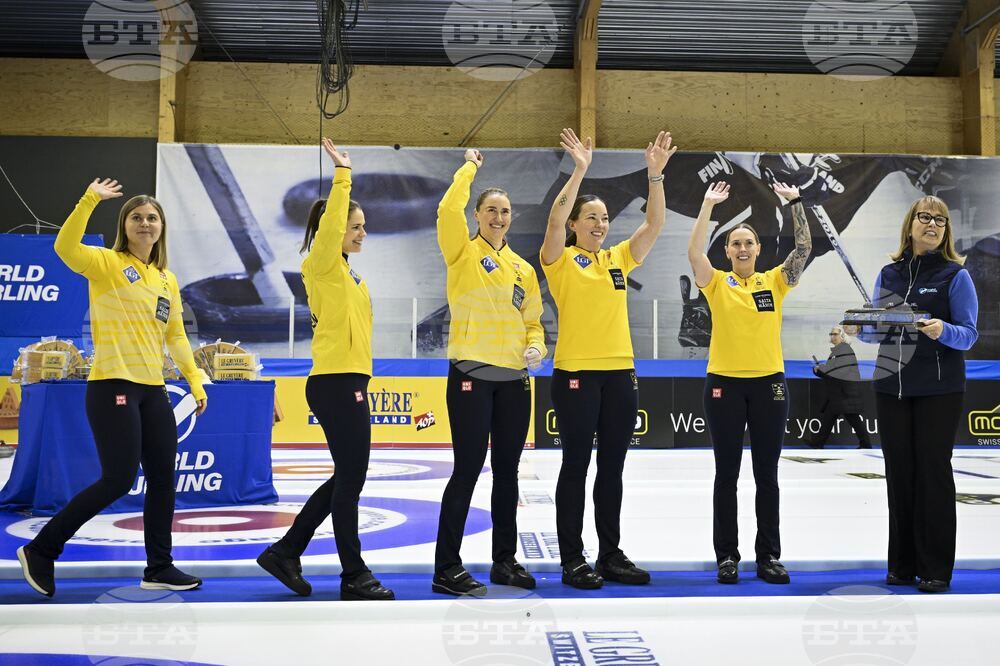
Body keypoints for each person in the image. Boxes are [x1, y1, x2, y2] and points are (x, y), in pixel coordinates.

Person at [17, 178, 208, 597]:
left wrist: (196, 380)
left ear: (161, 227)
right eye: (136, 217)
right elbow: (64, 248)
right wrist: (88, 200)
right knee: (118, 480)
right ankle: (41, 550)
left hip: (153, 389)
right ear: (126, 225)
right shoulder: (105, 262)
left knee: (162, 478)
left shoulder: (165, 280)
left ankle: (159, 566)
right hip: (112, 385)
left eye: (152, 218)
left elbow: (176, 335)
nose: (145, 223)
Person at [256, 139, 394, 601]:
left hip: (349, 380)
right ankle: (353, 573)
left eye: (364, 226)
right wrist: (343, 176)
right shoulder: (319, 264)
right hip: (335, 383)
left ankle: (287, 550)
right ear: (333, 229)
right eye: (355, 226)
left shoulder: (352, 275)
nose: (361, 233)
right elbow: (331, 222)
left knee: (347, 476)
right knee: (351, 477)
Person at [540, 128, 676, 590]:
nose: (599, 224)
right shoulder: (558, 259)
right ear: (576, 224)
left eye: (603, 218)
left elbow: (654, 226)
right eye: (590, 218)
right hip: (576, 375)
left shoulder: (617, 259)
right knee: (575, 466)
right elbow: (554, 219)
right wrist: (580, 170)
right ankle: (572, 559)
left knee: (612, 468)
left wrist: (654, 176)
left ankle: (610, 554)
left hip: (620, 375)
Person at [431, 149, 547, 596]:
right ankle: (447, 567)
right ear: (477, 215)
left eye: (505, 212)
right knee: (467, 469)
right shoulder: (460, 251)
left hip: (515, 382)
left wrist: (535, 344)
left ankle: (504, 561)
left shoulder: (523, 268)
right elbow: (445, 209)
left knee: (509, 472)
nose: (499, 217)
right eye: (491, 210)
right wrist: (470, 168)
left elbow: (533, 320)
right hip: (471, 375)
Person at [848, 196, 978, 593]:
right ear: (911, 225)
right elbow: (877, 330)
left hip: (939, 390)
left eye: (940, 220)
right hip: (891, 388)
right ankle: (902, 565)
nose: (933, 224)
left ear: (946, 231)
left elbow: (969, 334)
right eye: (926, 217)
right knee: (899, 476)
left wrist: (943, 330)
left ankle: (935, 567)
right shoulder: (889, 274)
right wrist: (859, 328)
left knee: (933, 476)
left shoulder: (956, 276)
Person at [688, 179, 812, 585]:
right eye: (735, 244)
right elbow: (693, 253)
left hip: (769, 387)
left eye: (749, 243)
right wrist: (707, 205)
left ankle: (768, 556)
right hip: (723, 385)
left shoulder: (775, 281)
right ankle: (727, 556)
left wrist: (795, 202)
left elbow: (804, 250)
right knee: (726, 474)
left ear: (759, 250)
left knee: (767, 475)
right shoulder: (717, 284)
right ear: (726, 251)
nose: (742, 249)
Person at [805, 326, 871, 449]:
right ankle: (818, 443)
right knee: (829, 419)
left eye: (835, 334)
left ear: (842, 336)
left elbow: (838, 371)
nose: (832, 336)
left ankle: (866, 444)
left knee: (853, 420)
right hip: (838, 393)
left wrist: (822, 368)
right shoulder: (838, 351)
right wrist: (818, 370)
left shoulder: (845, 349)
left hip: (845, 393)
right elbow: (832, 372)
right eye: (831, 334)